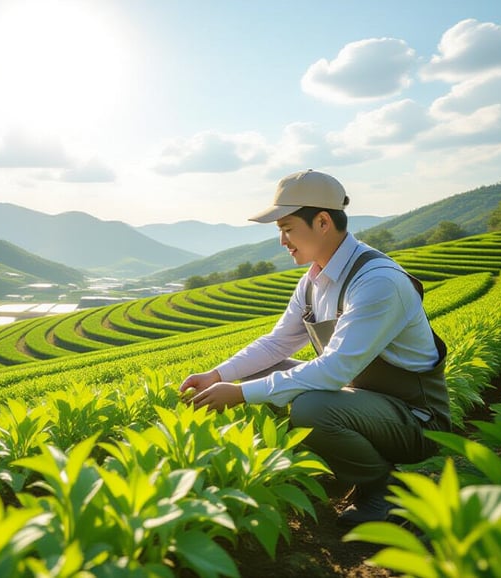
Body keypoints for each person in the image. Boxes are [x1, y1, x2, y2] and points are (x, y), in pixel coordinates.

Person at [179, 169, 451, 527]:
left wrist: (241, 394)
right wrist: (218, 375)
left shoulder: (378, 282)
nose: (282, 241)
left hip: (415, 420)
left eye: (287, 228)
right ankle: (351, 466)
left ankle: (385, 492)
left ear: (322, 221)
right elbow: (277, 343)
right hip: (361, 403)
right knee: (257, 372)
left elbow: (336, 369)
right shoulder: (313, 281)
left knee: (312, 407)